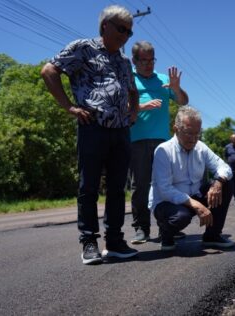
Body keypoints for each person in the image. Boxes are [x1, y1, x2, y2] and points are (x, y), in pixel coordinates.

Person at [40, 5, 139, 265]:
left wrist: (134, 111)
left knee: (118, 189)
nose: (125, 36)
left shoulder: (124, 60)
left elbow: (132, 90)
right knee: (89, 187)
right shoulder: (82, 48)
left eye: (129, 32)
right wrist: (69, 107)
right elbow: (49, 71)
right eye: (121, 29)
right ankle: (89, 242)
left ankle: (115, 241)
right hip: (93, 127)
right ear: (105, 25)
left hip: (120, 131)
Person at [129, 41, 189, 244]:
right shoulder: (128, 79)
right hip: (137, 140)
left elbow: (183, 101)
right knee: (141, 186)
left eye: (151, 60)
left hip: (163, 143)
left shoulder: (163, 80)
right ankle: (141, 229)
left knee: (167, 184)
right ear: (134, 60)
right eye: (143, 60)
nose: (148, 64)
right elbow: (120, 106)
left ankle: (168, 226)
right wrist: (142, 106)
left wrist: (176, 88)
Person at [149, 106, 234, 251]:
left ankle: (212, 235)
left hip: (195, 195)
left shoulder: (200, 147)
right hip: (167, 203)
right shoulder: (163, 151)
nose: (194, 139)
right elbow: (165, 190)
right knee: (181, 217)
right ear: (176, 129)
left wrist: (218, 183)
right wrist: (195, 204)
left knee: (226, 183)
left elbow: (224, 167)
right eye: (189, 133)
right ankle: (166, 233)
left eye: (197, 134)